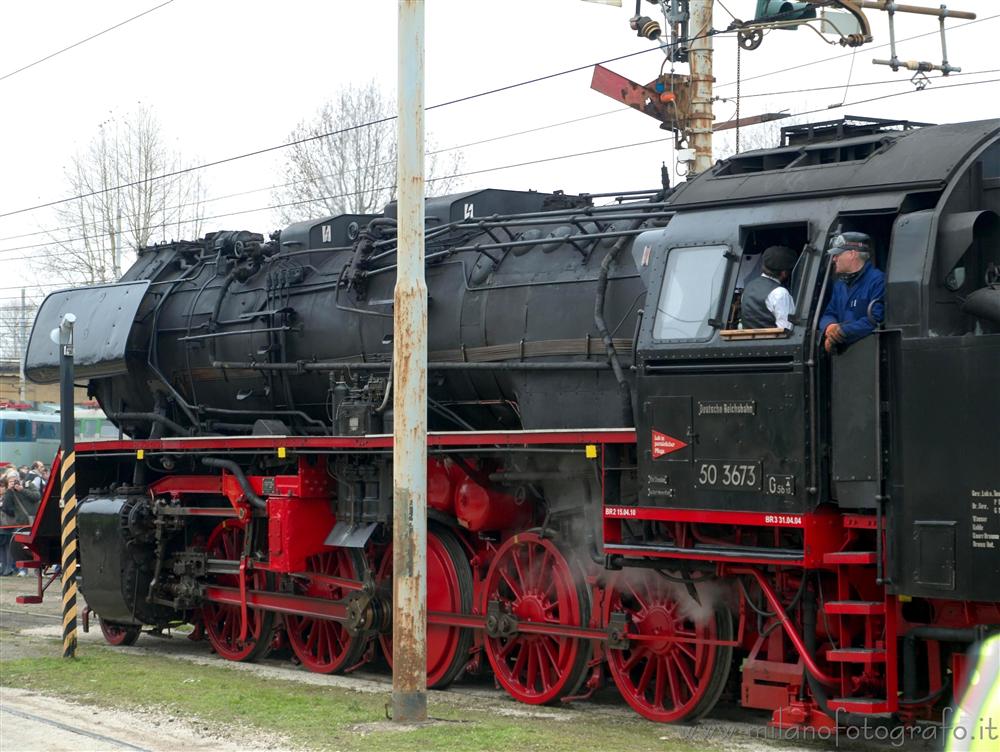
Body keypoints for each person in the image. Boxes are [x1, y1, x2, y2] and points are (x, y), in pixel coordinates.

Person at [818, 232, 885, 353]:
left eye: (837, 254)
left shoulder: (878, 281)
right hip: (846, 358)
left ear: (852, 254)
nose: (834, 259)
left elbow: (876, 319)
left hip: (868, 354)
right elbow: (828, 313)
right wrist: (830, 326)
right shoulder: (839, 285)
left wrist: (841, 332)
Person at [740, 245, 798, 330]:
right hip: (773, 342)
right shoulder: (781, 293)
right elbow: (787, 329)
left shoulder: (748, 288)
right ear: (784, 273)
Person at [1, 470, 40, 576]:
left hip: (34, 520)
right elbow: (6, 507)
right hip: (20, 523)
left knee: (37, 544)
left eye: (15, 480)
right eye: (10, 481)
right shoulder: (10, 492)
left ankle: (38, 568)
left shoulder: (28, 485)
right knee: (20, 547)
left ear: (19, 479)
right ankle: (23, 569)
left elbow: (36, 496)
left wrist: (22, 490)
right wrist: (9, 491)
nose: (13, 483)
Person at [0, 476, 14, 576]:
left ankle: (9, 567)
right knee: (1, 547)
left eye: (1, 486)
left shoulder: (9, 495)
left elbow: (10, 509)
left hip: (7, 524)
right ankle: (4, 566)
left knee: (8, 546)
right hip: (1, 524)